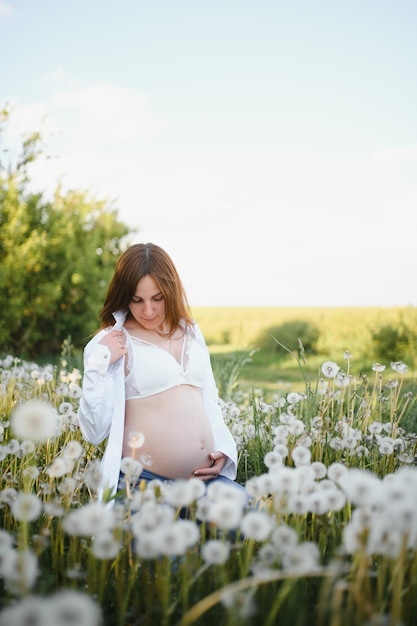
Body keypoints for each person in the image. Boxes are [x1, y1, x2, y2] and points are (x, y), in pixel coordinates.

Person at [78, 242, 242, 503]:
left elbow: (208, 399)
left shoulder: (190, 331)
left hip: (205, 483)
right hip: (142, 485)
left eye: (158, 298)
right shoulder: (110, 343)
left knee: (258, 527)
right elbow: (93, 431)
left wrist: (223, 448)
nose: (149, 311)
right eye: (137, 300)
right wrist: (100, 363)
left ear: (171, 291)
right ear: (124, 296)